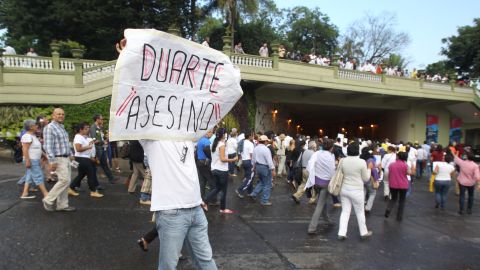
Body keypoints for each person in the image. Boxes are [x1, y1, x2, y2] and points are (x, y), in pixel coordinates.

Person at [116, 37, 217, 270]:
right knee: (168, 266)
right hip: (172, 214)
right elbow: (136, 98)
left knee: (206, 260)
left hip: (196, 209)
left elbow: (198, 100)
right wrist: (127, 59)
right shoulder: (151, 137)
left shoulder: (187, 136)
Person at [42, 108, 76, 212]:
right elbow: (48, 146)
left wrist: (71, 154)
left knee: (66, 181)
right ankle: (48, 199)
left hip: (65, 158)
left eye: (62, 114)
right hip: (58, 158)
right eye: (58, 114)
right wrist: (52, 161)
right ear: (53, 116)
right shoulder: (49, 128)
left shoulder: (62, 128)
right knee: (64, 180)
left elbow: (65, 144)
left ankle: (62, 205)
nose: (61, 115)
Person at [337, 143, 372, 240]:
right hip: (357, 190)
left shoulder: (342, 161)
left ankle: (341, 233)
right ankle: (363, 232)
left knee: (345, 211)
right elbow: (366, 179)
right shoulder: (361, 162)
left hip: (344, 189)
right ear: (358, 151)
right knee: (360, 212)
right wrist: (369, 169)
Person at [306, 139, 336, 234]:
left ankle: (327, 219)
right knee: (320, 205)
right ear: (331, 148)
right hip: (326, 183)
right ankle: (312, 228)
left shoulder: (317, 153)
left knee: (322, 201)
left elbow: (309, 166)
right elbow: (332, 171)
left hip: (316, 181)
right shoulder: (331, 157)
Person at [204, 128, 238, 214]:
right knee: (223, 190)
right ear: (223, 135)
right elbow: (223, 159)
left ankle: (205, 200)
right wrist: (233, 159)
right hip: (222, 170)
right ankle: (222, 208)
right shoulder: (221, 145)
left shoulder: (213, 143)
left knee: (217, 188)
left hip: (214, 169)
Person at [69, 122, 104, 198]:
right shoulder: (78, 137)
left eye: (88, 128)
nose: (88, 129)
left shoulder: (83, 137)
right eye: (86, 128)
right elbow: (78, 149)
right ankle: (93, 191)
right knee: (90, 174)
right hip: (82, 158)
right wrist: (88, 147)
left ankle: (71, 187)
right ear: (81, 130)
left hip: (84, 158)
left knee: (81, 174)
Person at [19, 119, 49, 199]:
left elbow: (37, 149)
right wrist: (28, 161)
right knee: (38, 176)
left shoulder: (33, 136)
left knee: (29, 176)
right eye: (35, 125)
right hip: (31, 160)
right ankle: (46, 194)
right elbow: (25, 149)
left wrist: (45, 155)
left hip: (34, 159)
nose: (37, 126)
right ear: (31, 127)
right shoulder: (27, 136)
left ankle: (24, 193)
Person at [249, 135, 276, 206]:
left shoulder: (256, 148)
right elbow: (269, 161)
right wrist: (273, 169)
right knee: (267, 184)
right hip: (265, 167)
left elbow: (253, 159)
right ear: (265, 141)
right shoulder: (266, 149)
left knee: (261, 182)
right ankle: (264, 200)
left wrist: (254, 167)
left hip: (258, 166)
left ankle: (254, 194)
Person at [385, 152, 412, 221]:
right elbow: (409, 173)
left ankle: (389, 209)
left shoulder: (391, 165)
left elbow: (389, 174)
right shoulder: (405, 165)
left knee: (393, 198)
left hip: (393, 184)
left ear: (398, 157)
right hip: (403, 185)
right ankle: (399, 216)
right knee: (402, 200)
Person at [90, 114, 116, 184]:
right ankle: (92, 182)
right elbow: (94, 140)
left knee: (104, 164)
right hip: (97, 149)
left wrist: (106, 137)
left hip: (102, 148)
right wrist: (103, 141)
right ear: (97, 119)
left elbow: (101, 137)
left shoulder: (100, 127)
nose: (102, 120)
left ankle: (111, 178)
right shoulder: (93, 127)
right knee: (94, 165)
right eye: (101, 119)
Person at [196, 130, 215, 200]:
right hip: (205, 163)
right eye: (210, 132)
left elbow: (196, 152)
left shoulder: (200, 140)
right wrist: (211, 159)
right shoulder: (207, 141)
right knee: (212, 181)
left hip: (199, 163)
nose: (211, 133)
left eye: (211, 132)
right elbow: (209, 153)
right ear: (206, 133)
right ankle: (213, 200)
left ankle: (201, 198)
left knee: (202, 181)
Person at [236, 131, 255, 198]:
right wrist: (253, 164)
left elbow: (239, 153)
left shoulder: (242, 142)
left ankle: (250, 192)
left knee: (249, 177)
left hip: (243, 161)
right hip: (249, 161)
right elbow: (251, 155)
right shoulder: (250, 144)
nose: (253, 137)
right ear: (250, 136)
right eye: (252, 135)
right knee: (249, 178)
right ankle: (240, 190)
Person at [362, 147, 380, 214]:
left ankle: (362, 205)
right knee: (372, 193)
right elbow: (373, 171)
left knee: (364, 191)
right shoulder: (370, 160)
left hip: (362, 179)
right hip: (369, 179)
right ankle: (367, 207)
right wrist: (376, 179)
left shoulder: (361, 159)